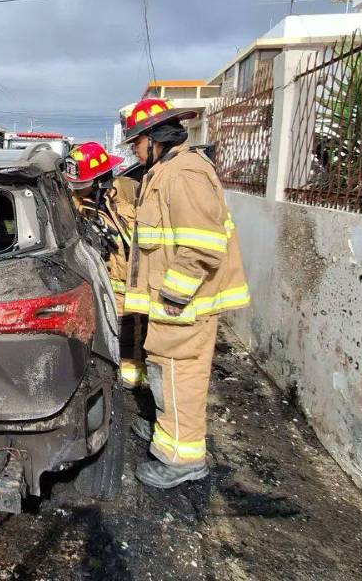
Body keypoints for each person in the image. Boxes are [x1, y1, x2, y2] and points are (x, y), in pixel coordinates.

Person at [120, 97, 250, 489]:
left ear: (156, 137)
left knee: (180, 377)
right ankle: (167, 433)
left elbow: (202, 244)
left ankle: (183, 458)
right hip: (173, 304)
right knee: (165, 372)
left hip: (184, 305)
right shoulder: (165, 172)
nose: (133, 150)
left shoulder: (184, 174)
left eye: (137, 142)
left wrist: (175, 295)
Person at [64, 141, 144, 389]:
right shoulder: (77, 201)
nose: (78, 191)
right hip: (109, 281)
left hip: (136, 279)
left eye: (83, 185)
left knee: (133, 331)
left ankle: (133, 379)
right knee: (116, 327)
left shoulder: (131, 193)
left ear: (101, 179)